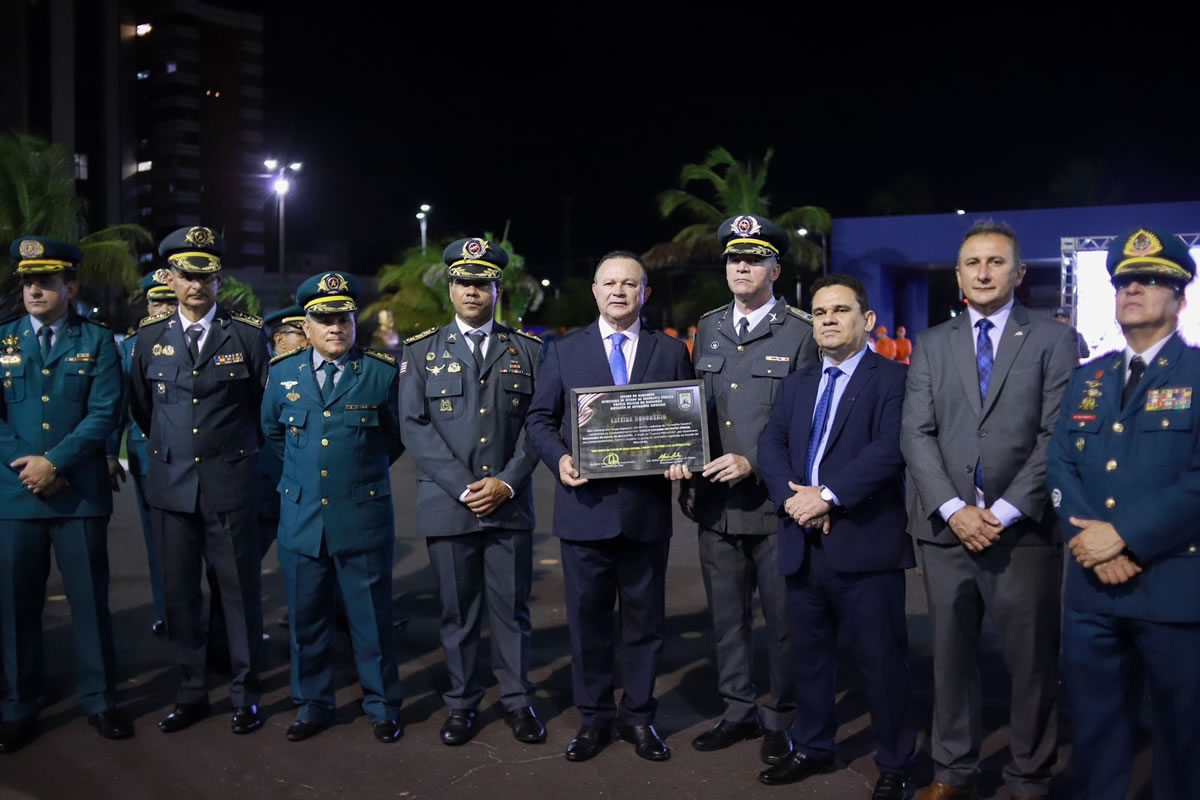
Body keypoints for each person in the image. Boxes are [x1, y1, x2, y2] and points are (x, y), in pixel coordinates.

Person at [902, 221, 1077, 800]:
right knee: (949, 661)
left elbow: (1055, 437)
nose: (982, 272)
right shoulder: (931, 343)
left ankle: (1029, 774)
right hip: (947, 532)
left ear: (1019, 273)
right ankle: (952, 773)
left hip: (1021, 533)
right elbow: (916, 435)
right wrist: (953, 509)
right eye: (972, 262)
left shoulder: (1053, 339)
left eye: (995, 262)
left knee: (1030, 666)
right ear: (957, 275)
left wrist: (1000, 512)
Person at [1048, 228, 1200, 799]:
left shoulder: (1198, 376)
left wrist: (1127, 537)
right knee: (1096, 733)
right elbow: (1060, 462)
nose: (1134, 287)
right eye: (1125, 280)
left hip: (1172, 588)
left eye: (1153, 279)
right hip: (1093, 592)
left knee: (1183, 737)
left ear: (1181, 297)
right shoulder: (1090, 378)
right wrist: (1089, 540)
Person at [525, 251, 691, 763]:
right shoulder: (563, 351)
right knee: (588, 624)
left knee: (645, 625)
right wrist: (560, 460)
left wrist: (683, 458)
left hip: (645, 514)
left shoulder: (670, 352)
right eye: (609, 283)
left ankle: (639, 718)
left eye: (630, 283)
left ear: (646, 293)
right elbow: (539, 420)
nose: (619, 291)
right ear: (595, 291)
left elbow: (685, 422)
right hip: (585, 509)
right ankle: (593, 719)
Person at [756, 274, 914, 798]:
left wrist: (826, 497)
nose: (827, 319)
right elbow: (771, 445)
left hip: (865, 545)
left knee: (882, 662)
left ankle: (895, 762)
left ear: (866, 321)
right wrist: (792, 500)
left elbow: (888, 451)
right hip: (803, 545)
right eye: (820, 312)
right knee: (810, 658)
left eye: (840, 310)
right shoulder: (799, 382)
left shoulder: (893, 379)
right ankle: (813, 747)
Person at [400, 238, 545, 747]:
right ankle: (461, 703)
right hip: (448, 504)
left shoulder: (528, 350)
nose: (472, 290)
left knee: (512, 610)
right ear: (451, 287)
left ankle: (517, 700)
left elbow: (539, 425)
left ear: (497, 288)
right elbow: (414, 427)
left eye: (482, 282)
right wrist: (465, 487)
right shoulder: (420, 352)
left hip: (508, 502)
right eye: (463, 281)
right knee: (457, 613)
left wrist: (506, 481)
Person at [687, 214, 818, 764]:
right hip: (715, 505)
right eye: (734, 259)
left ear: (775, 268)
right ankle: (738, 709)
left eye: (755, 258)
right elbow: (692, 412)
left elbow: (810, 421)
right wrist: (679, 458)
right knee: (725, 616)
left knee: (782, 620)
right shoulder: (709, 327)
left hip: (773, 502)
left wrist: (757, 465)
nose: (742, 266)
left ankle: (781, 717)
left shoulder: (803, 331)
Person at [128, 225, 270, 736]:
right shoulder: (149, 339)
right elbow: (144, 411)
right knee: (182, 596)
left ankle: (245, 694)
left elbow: (263, 408)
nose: (195, 284)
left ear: (218, 279)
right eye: (186, 275)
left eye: (205, 275)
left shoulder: (249, 336)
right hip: (172, 487)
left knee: (238, 595)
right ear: (169, 277)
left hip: (230, 484)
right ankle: (190, 692)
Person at [261, 271, 405, 744]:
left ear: (353, 320)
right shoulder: (283, 374)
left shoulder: (382, 374)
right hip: (302, 519)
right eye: (324, 319)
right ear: (306, 325)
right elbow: (274, 434)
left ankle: (382, 705)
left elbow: (395, 438)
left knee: (371, 620)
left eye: (342, 317)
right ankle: (313, 704)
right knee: (307, 621)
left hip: (362, 517)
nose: (335, 327)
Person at [0, 236, 131, 752]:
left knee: (90, 603)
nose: (34, 289)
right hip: (16, 492)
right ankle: (19, 704)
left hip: (78, 492)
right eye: (27, 281)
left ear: (69, 286)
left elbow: (105, 411)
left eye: (46, 280)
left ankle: (100, 700)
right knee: (16, 607)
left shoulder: (97, 341)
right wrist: (30, 466)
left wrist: (54, 461)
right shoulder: (3, 340)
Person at [107, 269, 178, 637]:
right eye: (156, 301)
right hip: (145, 450)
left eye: (169, 299)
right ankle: (166, 611)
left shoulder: (198, 336)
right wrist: (108, 452)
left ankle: (208, 613)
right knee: (158, 540)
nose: (162, 307)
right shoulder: (130, 346)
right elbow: (117, 404)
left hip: (194, 453)